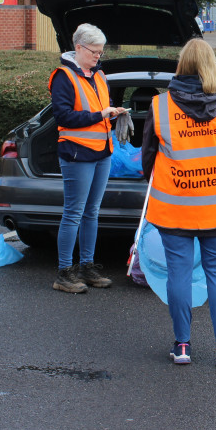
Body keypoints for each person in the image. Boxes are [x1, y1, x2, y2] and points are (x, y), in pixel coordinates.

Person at [141, 39, 216, 366]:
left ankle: (182, 345)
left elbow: (147, 162)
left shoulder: (159, 107)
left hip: (174, 208)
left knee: (179, 274)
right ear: (211, 66)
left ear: (182, 65)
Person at [47, 23, 127, 293]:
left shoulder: (98, 74)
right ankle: (64, 272)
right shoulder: (63, 77)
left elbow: (100, 110)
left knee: (91, 212)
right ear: (78, 47)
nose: (97, 56)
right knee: (74, 213)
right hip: (77, 153)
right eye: (94, 51)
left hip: (102, 152)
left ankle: (87, 266)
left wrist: (113, 114)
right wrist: (101, 115)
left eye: (101, 52)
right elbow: (63, 117)